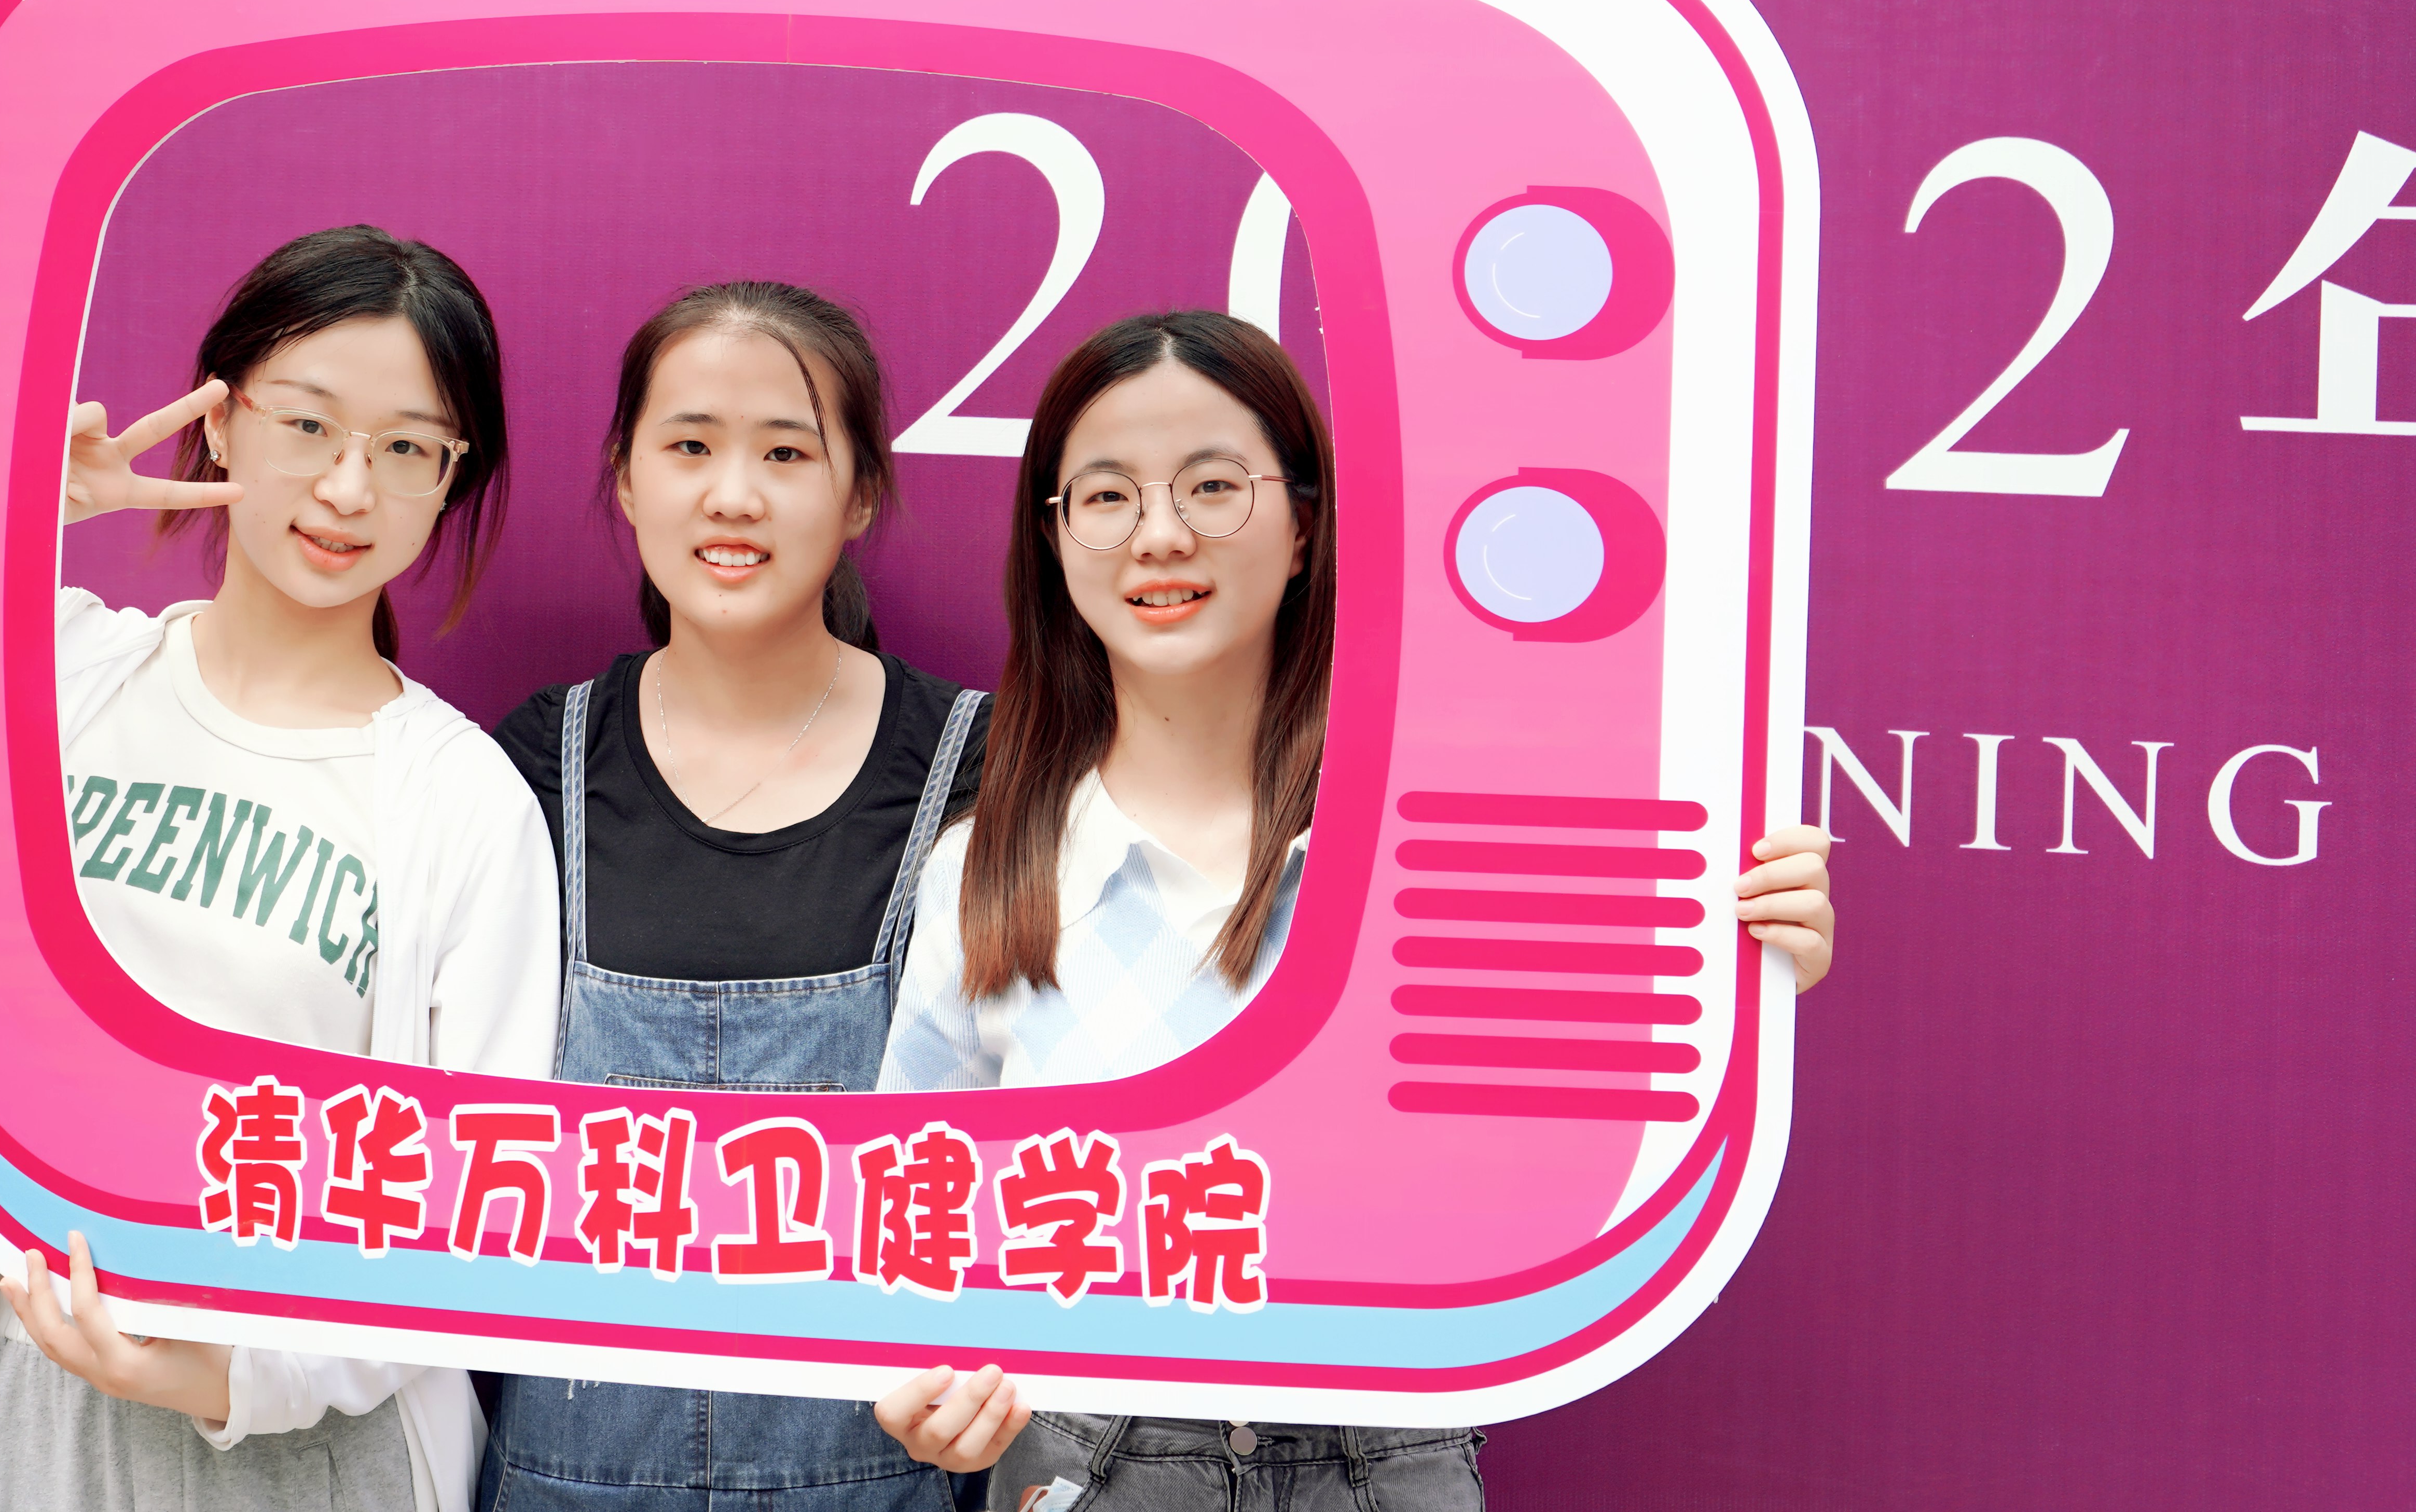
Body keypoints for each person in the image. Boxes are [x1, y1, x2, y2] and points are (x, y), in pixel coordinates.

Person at [0, 226, 560, 1512]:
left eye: (409, 447)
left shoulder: (465, 802)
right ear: (221, 419)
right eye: (308, 423)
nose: (350, 486)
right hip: (36, 1397)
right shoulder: (43, 682)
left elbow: (473, 1216)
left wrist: (225, 1370)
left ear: (451, 480)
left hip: (310, 1441)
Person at [866, 311, 1839, 1510]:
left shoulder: (1447, 849)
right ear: (1055, 539)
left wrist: (1741, 966)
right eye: (1107, 495)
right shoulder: (984, 871)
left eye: (1213, 484)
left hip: (1385, 1450)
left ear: (1304, 526)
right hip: (1085, 1455)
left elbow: (1580, 1133)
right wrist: (926, 1390)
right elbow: (915, 1211)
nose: (1160, 533)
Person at [477, 283, 990, 1512]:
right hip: (566, 1479)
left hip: (884, 1474)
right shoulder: (537, 762)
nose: (734, 494)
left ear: (860, 493)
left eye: (786, 453)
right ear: (626, 476)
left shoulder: (978, 765)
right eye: (691, 445)